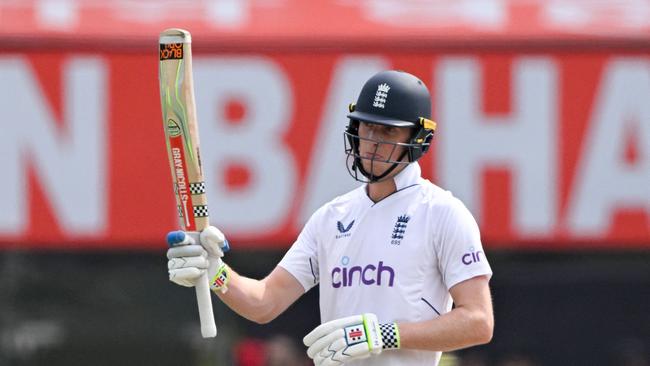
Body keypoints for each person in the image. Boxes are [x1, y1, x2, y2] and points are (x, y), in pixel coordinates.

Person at [166, 70, 494, 366]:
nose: (373, 143)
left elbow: (479, 322)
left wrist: (384, 334)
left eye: (388, 132)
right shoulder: (331, 217)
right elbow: (264, 302)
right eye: (367, 126)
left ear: (417, 139)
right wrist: (214, 272)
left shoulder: (442, 213)